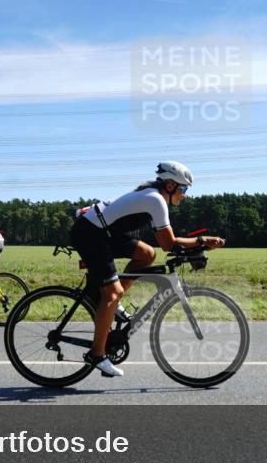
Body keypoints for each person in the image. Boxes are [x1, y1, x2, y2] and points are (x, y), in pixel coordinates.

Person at [70, 162, 225, 377]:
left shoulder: (153, 197)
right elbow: (168, 244)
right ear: (170, 186)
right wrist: (201, 240)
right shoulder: (156, 200)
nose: (185, 195)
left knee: (147, 255)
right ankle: (97, 354)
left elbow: (161, 245)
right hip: (90, 234)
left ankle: (112, 304)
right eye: (184, 189)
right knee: (112, 292)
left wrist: (197, 243)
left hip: (104, 232)